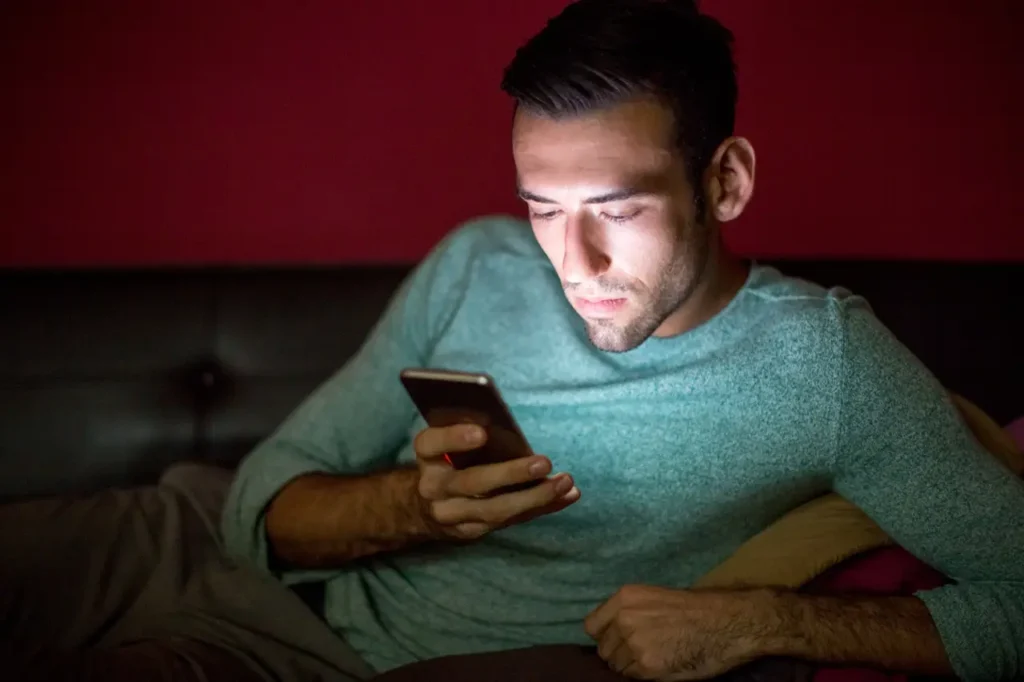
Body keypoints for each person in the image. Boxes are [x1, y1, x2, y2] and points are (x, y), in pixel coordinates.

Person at [1, 1, 1021, 681]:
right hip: (185, 531)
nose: (569, 259)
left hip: (313, 658)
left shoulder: (827, 363)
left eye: (616, 208)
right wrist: (412, 508)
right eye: (541, 205)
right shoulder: (478, 262)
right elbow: (270, 486)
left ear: (726, 181)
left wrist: (766, 619)